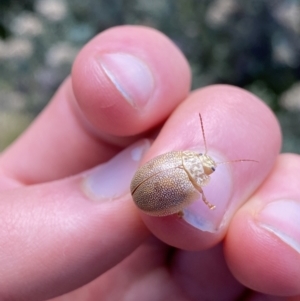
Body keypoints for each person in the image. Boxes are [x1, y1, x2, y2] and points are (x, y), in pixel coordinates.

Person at [0, 25, 298, 301]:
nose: (207, 163)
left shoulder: (187, 172)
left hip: (147, 191)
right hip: (146, 194)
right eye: (208, 163)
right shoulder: (193, 183)